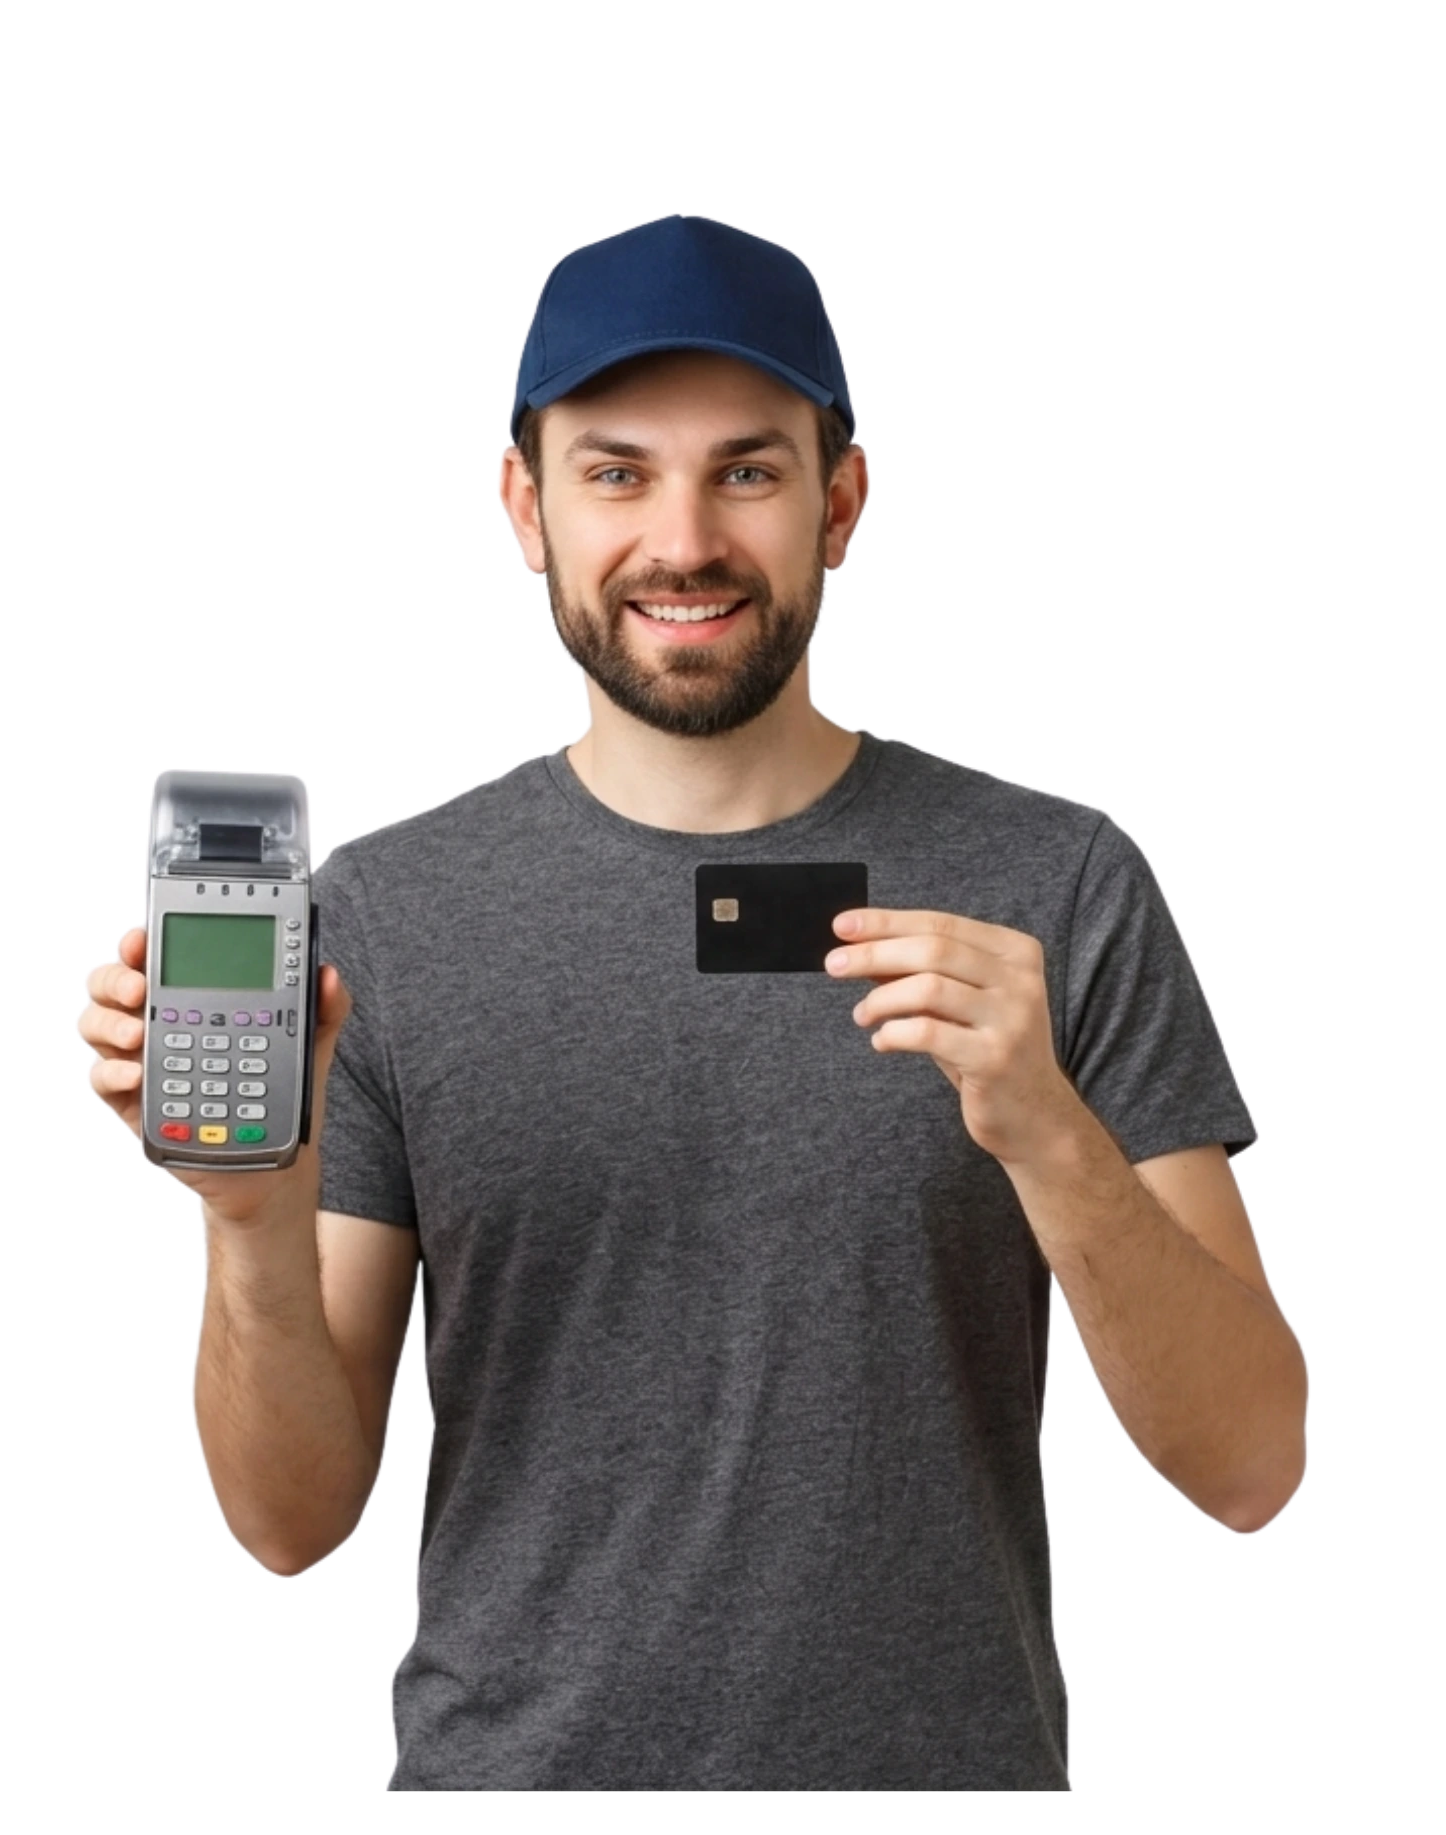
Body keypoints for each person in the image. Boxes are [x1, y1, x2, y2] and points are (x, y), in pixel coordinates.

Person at [80, 216, 1300, 1792]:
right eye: (614, 471)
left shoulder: (1058, 878)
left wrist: (1054, 1141)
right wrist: (247, 1218)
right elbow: (292, 1525)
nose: (683, 539)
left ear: (841, 500)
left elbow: (1256, 1465)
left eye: (746, 469)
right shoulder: (372, 921)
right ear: (519, 505)